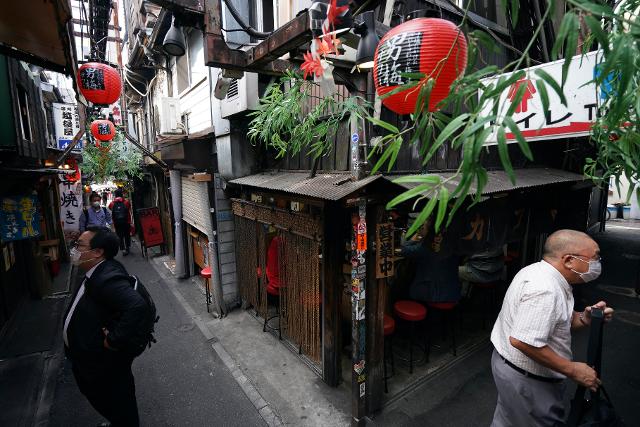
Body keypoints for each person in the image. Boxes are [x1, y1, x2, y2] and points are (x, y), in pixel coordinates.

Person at [490, 229, 614, 427]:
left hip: (514, 371)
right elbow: (523, 340)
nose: (597, 264)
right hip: (528, 381)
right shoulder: (545, 288)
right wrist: (573, 370)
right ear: (568, 261)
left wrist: (584, 317)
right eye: (594, 258)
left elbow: (557, 321)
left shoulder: (541, 272)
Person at [63, 227, 147, 426]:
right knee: (114, 404)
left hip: (105, 365)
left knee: (118, 404)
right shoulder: (99, 270)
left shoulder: (106, 278)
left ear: (98, 252)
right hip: (95, 362)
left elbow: (136, 305)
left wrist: (113, 339)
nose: (75, 250)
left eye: (80, 246)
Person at [400, 220, 461, 303]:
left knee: (401, 289)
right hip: (453, 293)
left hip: (432, 295)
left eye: (423, 227)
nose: (421, 229)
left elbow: (404, 250)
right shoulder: (451, 243)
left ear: (430, 231)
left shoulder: (427, 247)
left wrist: (417, 234)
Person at [109, 189, 132, 256]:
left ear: (115, 195)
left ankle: (123, 249)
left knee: (120, 236)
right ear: (122, 194)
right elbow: (129, 208)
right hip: (126, 221)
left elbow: (110, 208)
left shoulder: (112, 203)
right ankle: (128, 247)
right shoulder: (126, 202)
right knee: (127, 235)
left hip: (117, 222)